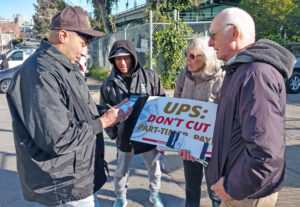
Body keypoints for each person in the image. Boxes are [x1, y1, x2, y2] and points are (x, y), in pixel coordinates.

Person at [6, 6, 132, 207]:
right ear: (63, 35)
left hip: (77, 178)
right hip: (64, 185)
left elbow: (77, 112)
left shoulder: (65, 67)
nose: (84, 53)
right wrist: (102, 122)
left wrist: (109, 114)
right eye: (82, 44)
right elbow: (58, 138)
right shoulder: (40, 74)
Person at [204, 7, 295, 207]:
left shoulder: (256, 75)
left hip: (247, 193)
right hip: (240, 188)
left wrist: (231, 186)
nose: (210, 43)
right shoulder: (239, 71)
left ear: (234, 33)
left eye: (213, 35)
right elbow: (232, 131)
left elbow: (265, 154)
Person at [99, 40, 165, 207]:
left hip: (149, 134)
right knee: (121, 170)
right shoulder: (108, 84)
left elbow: (162, 104)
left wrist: (161, 135)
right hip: (124, 135)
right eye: (117, 59)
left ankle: (154, 194)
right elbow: (103, 110)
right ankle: (120, 197)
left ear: (133, 58)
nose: (122, 63)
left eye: (126, 58)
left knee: (155, 168)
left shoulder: (149, 77)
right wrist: (113, 135)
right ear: (113, 61)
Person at [175, 37, 223, 207]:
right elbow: (176, 105)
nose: (187, 59)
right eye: (186, 54)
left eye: (193, 56)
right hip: (188, 144)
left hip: (213, 147)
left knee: (215, 192)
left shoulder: (221, 78)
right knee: (191, 188)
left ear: (207, 57)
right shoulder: (184, 75)